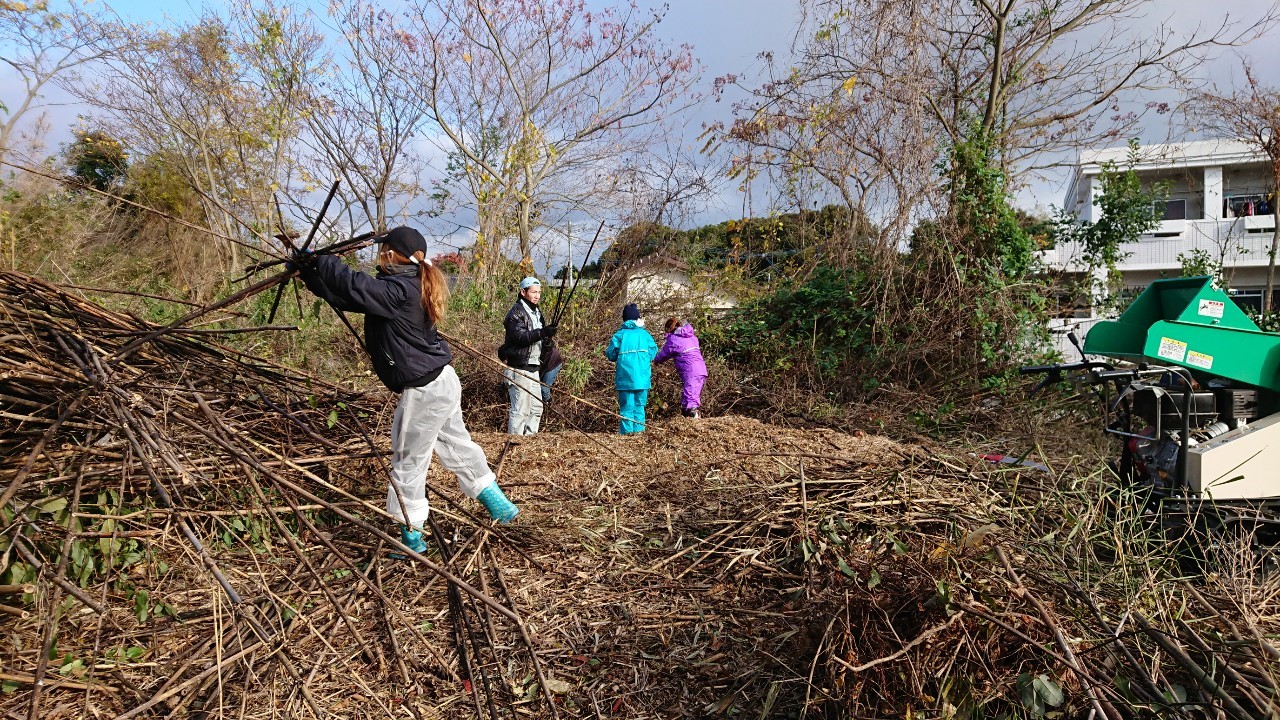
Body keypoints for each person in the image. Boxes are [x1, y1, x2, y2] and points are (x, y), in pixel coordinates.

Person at [293, 226, 518, 554]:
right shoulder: (405, 285)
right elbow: (349, 295)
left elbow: (356, 285)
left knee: (408, 460)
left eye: (383, 249)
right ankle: (499, 505)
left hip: (426, 391)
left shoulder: (401, 289)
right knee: (456, 445)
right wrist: (311, 274)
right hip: (441, 382)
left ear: (393, 254)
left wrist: (323, 260)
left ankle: (411, 536)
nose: (379, 255)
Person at [499, 276, 556, 434]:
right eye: (533, 292)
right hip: (519, 368)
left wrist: (546, 343)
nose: (537, 296)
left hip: (533, 367)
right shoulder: (515, 313)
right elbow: (520, 337)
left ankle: (529, 443)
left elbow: (538, 338)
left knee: (536, 408)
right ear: (523, 292)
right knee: (520, 410)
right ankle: (515, 443)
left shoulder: (537, 312)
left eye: (539, 292)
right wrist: (543, 332)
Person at [604, 303, 658, 434]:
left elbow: (611, 354)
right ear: (637, 318)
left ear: (624, 319)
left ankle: (626, 436)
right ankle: (639, 434)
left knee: (627, 408)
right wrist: (644, 361)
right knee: (639, 407)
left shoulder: (619, 335)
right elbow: (654, 351)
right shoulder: (645, 335)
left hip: (625, 378)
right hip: (643, 378)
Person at [654, 316, 708, 419]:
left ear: (669, 329)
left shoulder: (674, 340)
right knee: (690, 395)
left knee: (690, 398)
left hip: (690, 370)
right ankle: (687, 417)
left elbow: (663, 355)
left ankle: (693, 418)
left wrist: (655, 360)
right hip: (701, 369)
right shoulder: (692, 337)